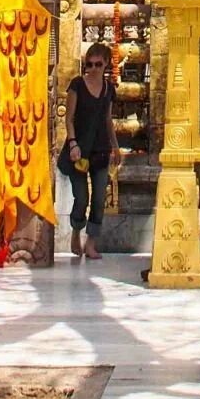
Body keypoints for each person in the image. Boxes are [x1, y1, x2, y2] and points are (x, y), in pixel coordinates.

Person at [62, 40, 121, 260]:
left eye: (98, 64)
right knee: (81, 197)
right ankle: (76, 231)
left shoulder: (108, 90)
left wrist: (115, 147)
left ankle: (91, 243)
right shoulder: (77, 85)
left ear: (106, 64)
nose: (93, 69)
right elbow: (69, 119)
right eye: (89, 64)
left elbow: (107, 120)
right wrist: (73, 143)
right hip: (79, 150)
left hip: (101, 149)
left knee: (98, 199)